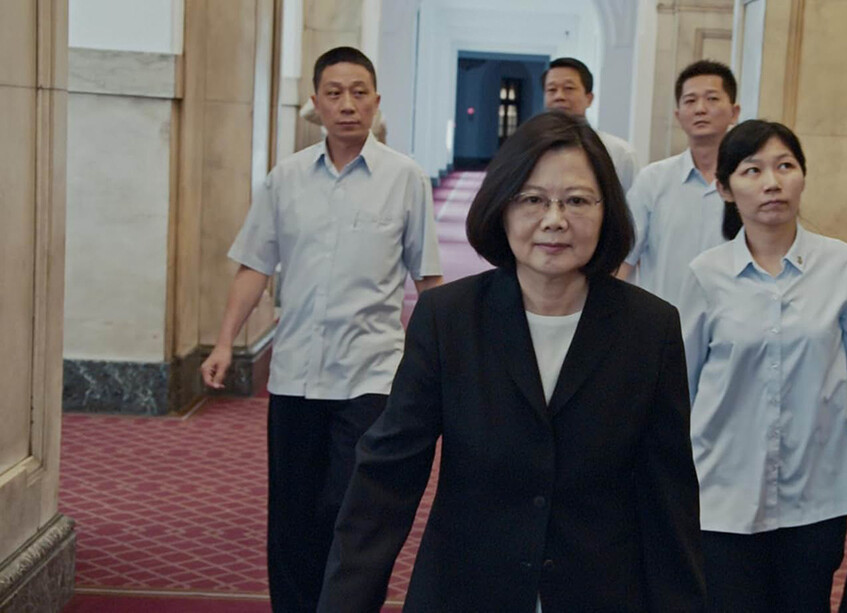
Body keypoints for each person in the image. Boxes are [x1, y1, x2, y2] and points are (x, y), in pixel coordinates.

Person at [318, 111, 705, 613]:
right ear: (501, 208)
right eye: (532, 199)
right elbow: (387, 479)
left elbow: (668, 500)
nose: (554, 220)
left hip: (601, 592)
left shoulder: (649, 330)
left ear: (608, 210)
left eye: (578, 201)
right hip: (467, 590)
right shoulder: (449, 320)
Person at [199, 46, 443, 612]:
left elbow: (428, 281)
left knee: (351, 511)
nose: (348, 105)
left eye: (359, 92)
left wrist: (442, 365)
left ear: (377, 101)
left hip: (372, 374)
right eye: (334, 93)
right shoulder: (285, 180)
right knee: (292, 515)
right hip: (295, 375)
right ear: (315, 103)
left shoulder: (405, 179)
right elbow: (255, 265)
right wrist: (224, 342)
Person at [677, 120, 847, 612]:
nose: (772, 182)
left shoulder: (841, 264)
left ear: (802, 176)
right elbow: (683, 384)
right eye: (752, 170)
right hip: (724, 487)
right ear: (725, 189)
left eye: (785, 166)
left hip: (817, 483)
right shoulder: (706, 275)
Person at [618, 59, 740, 307]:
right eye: (690, 101)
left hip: (733, 327)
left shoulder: (748, 182)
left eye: (712, 99)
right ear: (678, 115)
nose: (700, 109)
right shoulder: (653, 180)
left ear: (734, 112)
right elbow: (624, 260)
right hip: (664, 329)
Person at [543, 57, 639, 191]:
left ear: (589, 98)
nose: (559, 96)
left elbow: (630, 208)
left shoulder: (619, 154)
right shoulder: (528, 149)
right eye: (551, 90)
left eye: (569, 88)